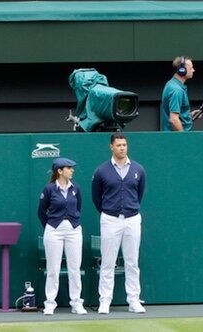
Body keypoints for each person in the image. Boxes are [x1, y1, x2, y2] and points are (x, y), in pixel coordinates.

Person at [92, 133, 147, 314]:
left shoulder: (138, 169)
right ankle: (105, 301)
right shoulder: (101, 171)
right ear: (111, 147)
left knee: (132, 262)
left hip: (132, 219)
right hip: (110, 219)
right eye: (118, 145)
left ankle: (133, 300)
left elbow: (139, 194)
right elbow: (96, 197)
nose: (122, 148)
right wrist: (110, 212)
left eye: (124, 145)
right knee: (108, 262)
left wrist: (129, 210)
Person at [37, 157, 87, 316]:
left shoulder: (76, 188)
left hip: (73, 229)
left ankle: (76, 303)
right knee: (53, 268)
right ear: (60, 171)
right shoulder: (49, 189)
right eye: (69, 168)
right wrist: (52, 226)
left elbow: (78, 207)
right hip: (53, 230)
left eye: (72, 168)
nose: (72, 170)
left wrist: (71, 222)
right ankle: (50, 304)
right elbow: (41, 212)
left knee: (74, 268)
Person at [161, 56, 198, 131]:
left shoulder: (171, 84)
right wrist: (183, 138)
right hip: (177, 141)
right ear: (182, 70)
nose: (193, 70)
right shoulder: (176, 90)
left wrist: (188, 116)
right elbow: (173, 120)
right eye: (191, 68)